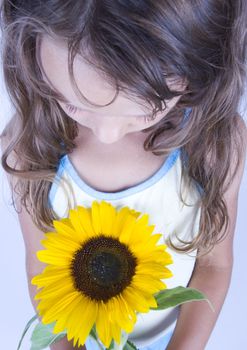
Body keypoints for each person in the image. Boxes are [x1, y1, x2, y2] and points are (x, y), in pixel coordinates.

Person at [0, 1, 247, 349]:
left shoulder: (216, 143)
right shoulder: (28, 148)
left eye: (146, 112)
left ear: (203, 67)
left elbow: (213, 266)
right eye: (72, 103)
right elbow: (44, 273)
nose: (107, 134)